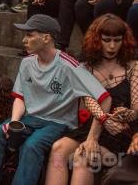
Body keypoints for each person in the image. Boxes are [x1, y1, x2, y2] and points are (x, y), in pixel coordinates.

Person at [0, 14, 110, 185]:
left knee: (32, 145)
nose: (24, 40)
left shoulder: (69, 65)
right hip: (29, 119)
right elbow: (20, 97)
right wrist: (15, 122)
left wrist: (93, 136)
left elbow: (104, 98)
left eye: (29, 35)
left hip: (59, 123)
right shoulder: (26, 63)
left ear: (46, 38)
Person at [45, 14, 137, 185]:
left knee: (84, 157)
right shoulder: (85, 66)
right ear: (97, 39)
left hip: (119, 133)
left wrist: (127, 114)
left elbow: (136, 110)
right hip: (92, 127)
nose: (112, 46)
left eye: (117, 40)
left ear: (124, 41)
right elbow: (90, 102)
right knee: (58, 149)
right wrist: (92, 137)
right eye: (106, 40)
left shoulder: (133, 66)